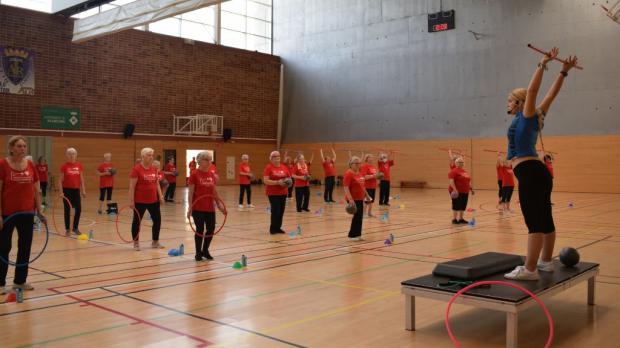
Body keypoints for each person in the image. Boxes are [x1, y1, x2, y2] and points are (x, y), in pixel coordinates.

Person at [504, 48, 578, 280]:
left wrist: (542, 64)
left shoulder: (527, 115)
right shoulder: (537, 115)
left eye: (510, 99)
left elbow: (535, 90)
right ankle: (545, 262)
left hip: (529, 172)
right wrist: (563, 72)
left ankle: (530, 269)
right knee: (545, 217)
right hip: (539, 172)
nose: (508, 103)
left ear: (518, 102)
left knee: (534, 221)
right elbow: (550, 95)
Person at [0, 136, 45, 294]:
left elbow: (36, 189)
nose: (23, 148)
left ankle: (20, 281)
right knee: (4, 247)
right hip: (7, 213)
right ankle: (0, 283)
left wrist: (39, 211)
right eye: (19, 146)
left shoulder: (30, 165)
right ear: (11, 148)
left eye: (24, 146)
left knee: (25, 247)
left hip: (27, 213)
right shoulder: (3, 164)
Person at [188, 151, 225, 261]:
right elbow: (190, 193)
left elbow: (213, 190)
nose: (210, 162)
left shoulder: (211, 174)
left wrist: (219, 204)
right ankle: (198, 252)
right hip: (198, 207)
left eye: (210, 159)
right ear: (200, 161)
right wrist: (190, 208)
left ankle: (205, 250)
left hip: (210, 207)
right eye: (207, 160)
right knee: (199, 229)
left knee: (211, 229)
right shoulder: (194, 174)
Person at [129, 148, 165, 251]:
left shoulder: (154, 169)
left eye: (152, 155)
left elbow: (156, 183)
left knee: (157, 220)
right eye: (149, 155)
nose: (151, 157)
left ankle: (155, 242)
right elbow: (132, 187)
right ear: (143, 156)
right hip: (139, 201)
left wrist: (161, 196)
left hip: (153, 200)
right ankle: (136, 243)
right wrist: (131, 201)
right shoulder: (136, 169)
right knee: (137, 222)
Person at [343, 156, 372, 241]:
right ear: (351, 164)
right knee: (357, 216)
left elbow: (362, 186)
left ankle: (358, 235)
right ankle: (352, 235)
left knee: (359, 216)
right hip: (353, 198)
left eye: (359, 163)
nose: (358, 165)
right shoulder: (348, 173)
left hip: (360, 198)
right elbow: (346, 187)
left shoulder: (360, 173)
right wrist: (351, 200)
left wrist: (367, 195)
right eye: (356, 163)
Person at [59, 148, 85, 235]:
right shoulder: (64, 166)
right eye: (69, 153)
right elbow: (60, 181)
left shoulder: (79, 165)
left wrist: (83, 190)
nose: (71, 155)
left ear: (76, 155)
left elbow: (81, 179)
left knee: (78, 209)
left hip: (76, 190)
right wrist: (61, 192)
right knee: (67, 210)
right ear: (67, 155)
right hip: (67, 191)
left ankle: (75, 227)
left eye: (73, 153)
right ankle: (67, 229)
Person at [263, 151, 291, 234]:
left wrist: (288, 183)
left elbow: (289, 178)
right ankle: (273, 228)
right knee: (276, 210)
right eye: (275, 157)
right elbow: (266, 181)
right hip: (272, 193)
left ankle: (278, 227)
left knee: (281, 210)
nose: (277, 159)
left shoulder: (284, 167)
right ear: (271, 159)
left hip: (283, 192)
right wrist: (277, 182)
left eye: (278, 157)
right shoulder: (268, 168)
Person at [448, 156, 473, 224]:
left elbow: (468, 180)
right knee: (456, 204)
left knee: (463, 205)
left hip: (465, 191)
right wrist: (455, 190)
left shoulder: (465, 171)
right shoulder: (453, 171)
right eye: (460, 162)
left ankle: (461, 219)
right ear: (456, 163)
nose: (462, 163)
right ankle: (454, 219)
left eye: (462, 162)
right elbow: (451, 181)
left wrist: (470, 188)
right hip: (457, 191)